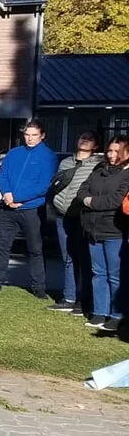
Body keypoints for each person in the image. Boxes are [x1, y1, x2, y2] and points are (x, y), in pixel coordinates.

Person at [0, 121, 58, 298]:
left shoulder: (48, 156)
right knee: (2, 245)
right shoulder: (14, 153)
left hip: (32, 209)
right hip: (7, 208)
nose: (30, 138)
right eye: (27, 135)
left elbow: (44, 185)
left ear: (42, 135)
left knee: (35, 249)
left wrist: (17, 198)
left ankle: (39, 287)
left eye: (34, 135)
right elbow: (3, 176)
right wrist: (7, 195)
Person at [75, 135, 129, 333]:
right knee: (98, 273)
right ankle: (99, 312)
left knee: (115, 275)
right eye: (110, 150)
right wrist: (87, 200)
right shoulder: (99, 170)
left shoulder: (126, 174)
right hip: (93, 228)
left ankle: (116, 315)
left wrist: (91, 202)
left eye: (117, 151)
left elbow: (115, 200)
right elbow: (82, 191)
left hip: (115, 230)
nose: (112, 155)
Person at [48, 133, 101, 315]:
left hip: (81, 217)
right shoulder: (65, 163)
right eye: (82, 137)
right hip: (62, 216)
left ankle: (83, 300)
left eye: (90, 139)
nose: (85, 140)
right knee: (68, 259)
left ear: (95, 145)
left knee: (84, 259)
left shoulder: (96, 165)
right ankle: (68, 297)